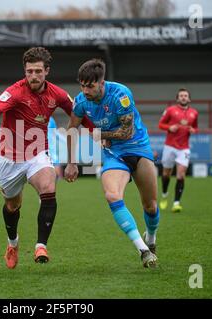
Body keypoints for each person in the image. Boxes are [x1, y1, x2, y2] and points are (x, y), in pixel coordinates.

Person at [0, 47, 93, 269]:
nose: (33, 76)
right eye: (29, 71)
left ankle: (41, 245)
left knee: (49, 187)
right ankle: (13, 243)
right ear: (25, 70)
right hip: (9, 159)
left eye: (38, 71)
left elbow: (79, 115)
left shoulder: (57, 94)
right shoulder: (15, 92)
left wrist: (101, 134)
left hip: (38, 154)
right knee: (12, 206)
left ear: (47, 71)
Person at [64, 59, 159, 268]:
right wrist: (70, 163)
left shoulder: (121, 95)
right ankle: (143, 250)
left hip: (138, 148)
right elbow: (71, 129)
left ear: (102, 82)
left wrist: (99, 133)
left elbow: (126, 132)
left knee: (150, 206)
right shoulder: (81, 102)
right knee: (112, 195)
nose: (85, 90)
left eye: (90, 85)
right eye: (82, 85)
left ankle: (151, 239)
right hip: (113, 153)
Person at [158, 88, 198, 213]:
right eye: (181, 95)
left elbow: (195, 127)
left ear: (189, 98)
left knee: (181, 175)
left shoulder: (194, 113)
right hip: (169, 146)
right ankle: (164, 195)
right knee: (166, 174)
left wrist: (193, 130)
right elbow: (160, 125)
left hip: (184, 148)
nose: (183, 97)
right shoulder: (170, 110)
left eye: (185, 95)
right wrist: (170, 127)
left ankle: (176, 203)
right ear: (177, 98)